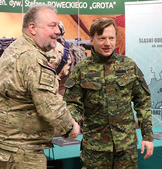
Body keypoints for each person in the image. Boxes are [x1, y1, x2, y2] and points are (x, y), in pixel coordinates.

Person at [0, 4, 80, 169]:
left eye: (58, 26)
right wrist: (71, 127)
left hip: (0, 148)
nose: (58, 31)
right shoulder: (32, 59)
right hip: (21, 154)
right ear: (32, 28)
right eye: (52, 26)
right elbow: (50, 106)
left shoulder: (15, 48)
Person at [64, 18, 154, 169]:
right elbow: (72, 102)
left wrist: (148, 136)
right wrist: (72, 121)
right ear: (92, 40)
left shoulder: (128, 65)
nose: (108, 43)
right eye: (102, 39)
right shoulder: (81, 69)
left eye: (111, 38)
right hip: (95, 149)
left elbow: (142, 101)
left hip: (126, 148)